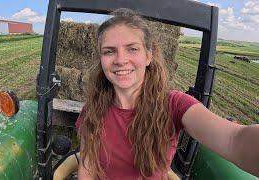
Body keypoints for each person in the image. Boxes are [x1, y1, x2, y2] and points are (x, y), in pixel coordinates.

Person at [75, 8, 259, 179]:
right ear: (101, 59)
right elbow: (87, 165)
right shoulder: (92, 110)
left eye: (132, 49)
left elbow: (233, 140)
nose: (121, 60)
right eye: (109, 51)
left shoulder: (174, 104)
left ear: (148, 56)